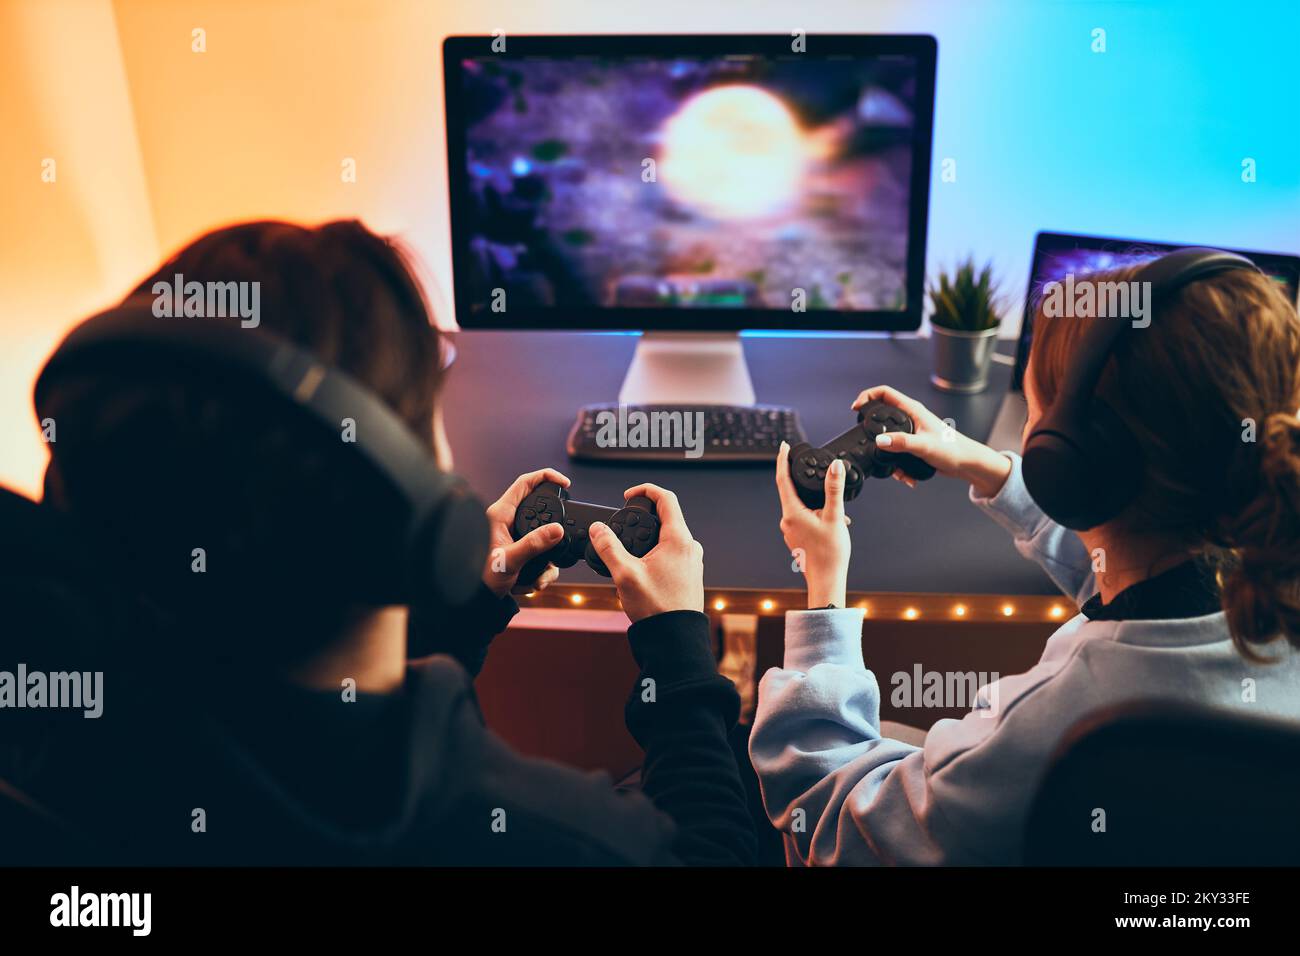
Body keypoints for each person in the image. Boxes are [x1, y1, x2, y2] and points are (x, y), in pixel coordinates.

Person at [26, 220, 755, 866]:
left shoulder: (57, 736)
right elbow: (714, 852)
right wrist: (679, 649)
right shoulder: (554, 835)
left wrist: (466, 610)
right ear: (422, 517)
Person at [751, 258, 1300, 865]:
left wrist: (822, 588)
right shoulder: (1269, 573)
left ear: (1067, 462)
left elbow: (828, 821)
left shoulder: (1061, 716)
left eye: (1036, 413)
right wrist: (987, 467)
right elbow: (1147, 570)